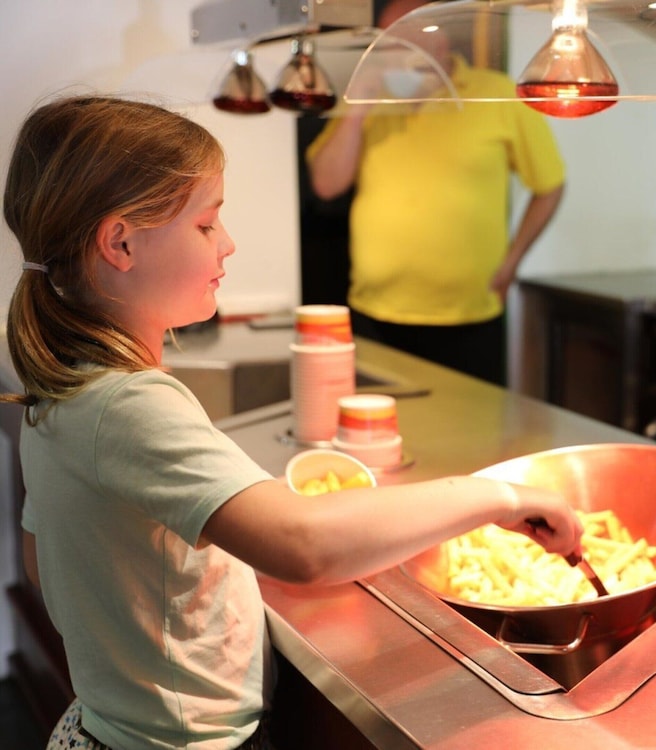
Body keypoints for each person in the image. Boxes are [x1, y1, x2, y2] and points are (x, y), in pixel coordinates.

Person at [0, 94, 583, 750]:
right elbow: (305, 546)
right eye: (206, 224)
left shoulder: (63, 379)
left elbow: (44, 559)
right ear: (121, 242)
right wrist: (499, 496)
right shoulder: (128, 405)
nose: (228, 243)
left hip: (104, 726)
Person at [306, 0, 566, 386]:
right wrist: (359, 106)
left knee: (471, 422)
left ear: (440, 42)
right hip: (374, 311)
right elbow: (327, 184)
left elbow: (549, 186)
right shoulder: (372, 98)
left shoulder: (497, 94)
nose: (390, 54)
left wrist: (513, 260)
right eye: (384, 43)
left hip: (468, 318)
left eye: (402, 43)